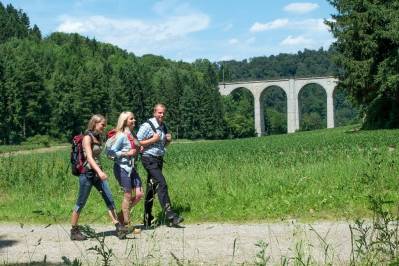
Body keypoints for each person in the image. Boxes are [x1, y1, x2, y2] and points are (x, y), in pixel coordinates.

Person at [70, 114, 128, 241]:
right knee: (81, 202)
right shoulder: (87, 138)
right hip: (87, 174)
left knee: (109, 198)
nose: (104, 127)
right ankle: (74, 231)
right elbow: (90, 158)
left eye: (105, 125)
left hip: (97, 173)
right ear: (94, 123)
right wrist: (99, 172)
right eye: (102, 124)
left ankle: (118, 227)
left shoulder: (98, 137)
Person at [137, 103, 184, 227]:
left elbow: (162, 145)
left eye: (163, 113)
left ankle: (147, 218)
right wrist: (153, 139)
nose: (162, 115)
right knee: (162, 183)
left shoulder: (163, 126)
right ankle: (171, 215)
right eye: (159, 112)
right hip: (148, 158)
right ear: (154, 113)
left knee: (151, 189)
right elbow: (137, 142)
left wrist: (168, 141)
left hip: (158, 159)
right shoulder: (147, 125)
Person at [108, 111, 144, 232]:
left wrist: (139, 148)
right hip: (122, 168)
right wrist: (127, 153)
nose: (134, 121)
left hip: (132, 168)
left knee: (139, 194)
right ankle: (127, 224)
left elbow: (137, 148)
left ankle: (121, 216)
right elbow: (111, 152)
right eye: (131, 119)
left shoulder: (132, 134)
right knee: (128, 195)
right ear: (124, 122)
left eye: (134, 118)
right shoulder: (122, 135)